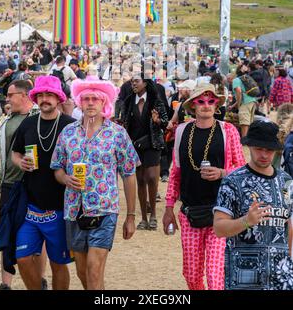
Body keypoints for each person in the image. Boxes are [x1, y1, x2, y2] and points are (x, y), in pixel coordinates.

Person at [50, 76, 140, 290]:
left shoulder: (117, 134)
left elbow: (129, 174)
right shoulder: (68, 132)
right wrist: (65, 178)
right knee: (83, 272)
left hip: (104, 209)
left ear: (104, 103)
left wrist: (130, 216)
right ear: (79, 102)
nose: (90, 103)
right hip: (74, 210)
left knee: (93, 269)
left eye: (95, 99)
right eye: (86, 99)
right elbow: (57, 168)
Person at [163, 83, 245, 290]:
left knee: (215, 274)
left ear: (216, 104)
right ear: (192, 106)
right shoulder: (182, 131)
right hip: (190, 211)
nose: (206, 105)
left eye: (211, 101)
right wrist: (168, 208)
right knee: (191, 274)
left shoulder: (228, 131)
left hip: (222, 212)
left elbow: (243, 169)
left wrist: (222, 173)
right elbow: (175, 173)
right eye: (201, 101)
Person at [11, 76, 75, 290]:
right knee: (22, 258)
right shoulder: (28, 123)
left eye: (50, 95)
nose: (45, 99)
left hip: (60, 207)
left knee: (58, 264)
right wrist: (21, 163)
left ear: (58, 98)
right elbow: (15, 153)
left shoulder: (70, 125)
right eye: (41, 95)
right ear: (36, 97)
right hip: (31, 205)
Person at [214, 120, 293, 290]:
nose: (264, 155)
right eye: (259, 149)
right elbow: (218, 228)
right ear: (249, 146)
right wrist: (246, 221)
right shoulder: (233, 181)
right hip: (244, 277)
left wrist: (288, 259)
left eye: (269, 150)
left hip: (281, 277)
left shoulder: (286, 181)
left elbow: (289, 224)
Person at [0, 80, 45, 290]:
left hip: (33, 185)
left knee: (37, 234)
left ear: (24, 95)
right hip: (8, 184)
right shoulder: (6, 121)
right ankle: (6, 283)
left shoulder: (39, 118)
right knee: (7, 231)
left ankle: (39, 279)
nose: (7, 99)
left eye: (10, 95)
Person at [123, 75, 168, 231]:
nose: (133, 84)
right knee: (140, 180)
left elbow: (166, 122)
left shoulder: (156, 101)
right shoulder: (129, 101)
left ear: (145, 83)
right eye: (132, 81)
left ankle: (154, 215)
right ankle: (143, 217)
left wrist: (158, 121)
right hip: (134, 145)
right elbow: (126, 123)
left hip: (152, 144)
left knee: (151, 178)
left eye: (136, 81)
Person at [230, 66, 258, 138]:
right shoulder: (241, 79)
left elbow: (239, 92)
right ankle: (248, 139)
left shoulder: (235, 80)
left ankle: (244, 140)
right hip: (252, 101)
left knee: (244, 122)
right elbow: (242, 94)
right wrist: (233, 106)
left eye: (228, 78)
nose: (228, 80)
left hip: (245, 103)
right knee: (249, 121)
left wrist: (239, 105)